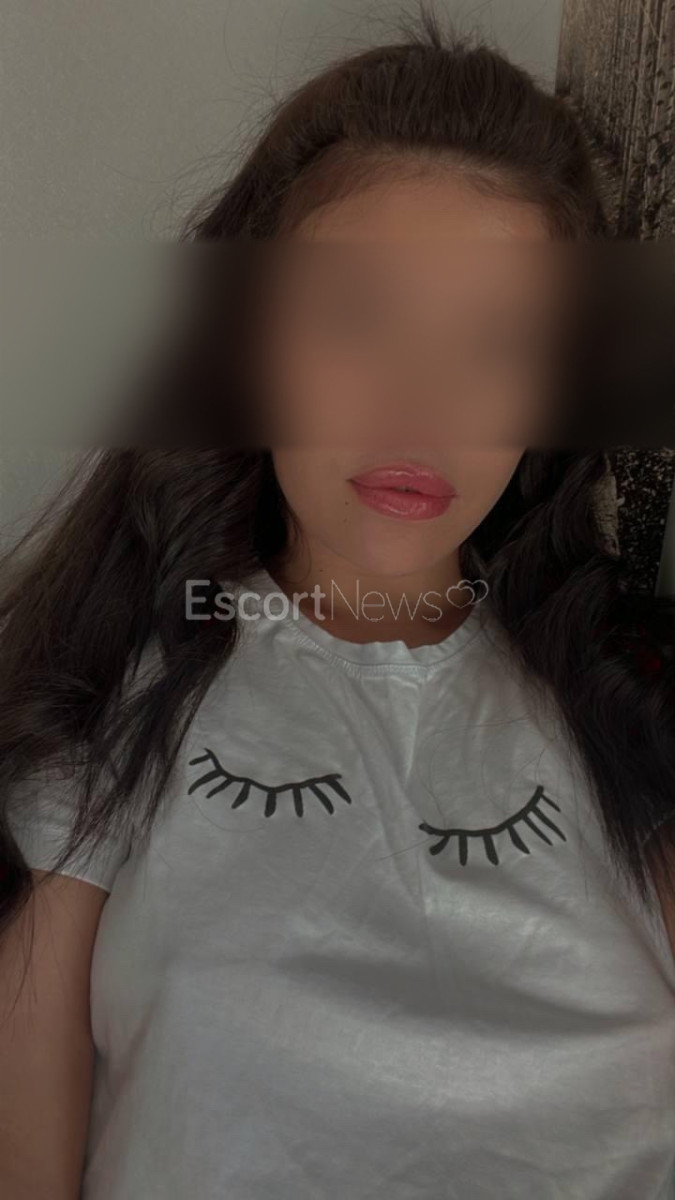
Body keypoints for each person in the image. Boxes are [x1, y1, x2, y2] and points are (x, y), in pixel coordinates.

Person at [1, 13, 674, 1200]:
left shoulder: (634, 715)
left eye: (496, 341)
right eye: (358, 317)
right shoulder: (107, 705)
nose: (421, 405)